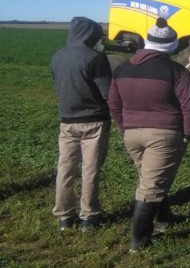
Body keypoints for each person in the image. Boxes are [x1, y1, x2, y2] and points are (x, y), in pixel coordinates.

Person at [108, 18, 190, 252]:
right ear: (171, 46)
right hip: (164, 134)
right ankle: (139, 241)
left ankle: (165, 218)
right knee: (150, 186)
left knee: (150, 178)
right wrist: (188, 133)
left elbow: (114, 104)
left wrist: (125, 126)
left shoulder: (122, 70)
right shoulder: (175, 71)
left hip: (132, 134)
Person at [50, 17, 112, 231]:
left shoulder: (57, 57)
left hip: (67, 121)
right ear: (89, 34)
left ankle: (64, 217)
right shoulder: (95, 58)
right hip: (94, 121)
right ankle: (89, 216)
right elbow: (107, 93)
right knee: (90, 169)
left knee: (65, 168)